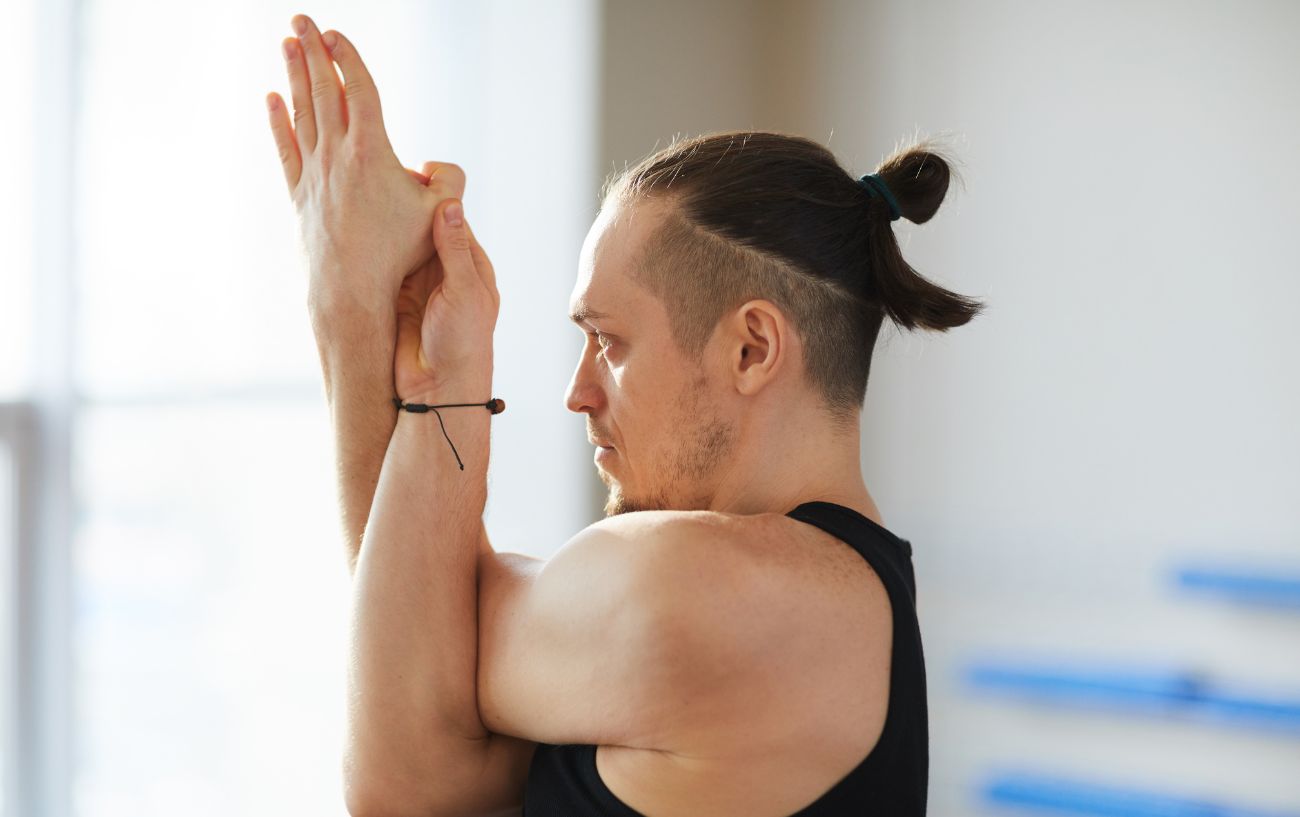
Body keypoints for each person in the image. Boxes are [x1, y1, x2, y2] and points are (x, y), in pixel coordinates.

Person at [266, 13, 983, 817]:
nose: (579, 392)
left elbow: (399, 767)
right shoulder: (804, 602)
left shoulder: (714, 595)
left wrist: (353, 310)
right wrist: (380, 320)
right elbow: (429, 742)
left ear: (751, 349)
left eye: (607, 341)